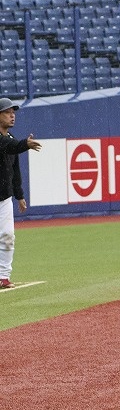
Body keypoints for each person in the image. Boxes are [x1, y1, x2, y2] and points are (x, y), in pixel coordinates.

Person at [0, 97, 42, 289]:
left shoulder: (10, 138)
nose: (12, 115)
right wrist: (25, 144)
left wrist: (19, 195)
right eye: (7, 112)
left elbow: (14, 170)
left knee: (8, 236)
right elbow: (9, 146)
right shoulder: (8, 141)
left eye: (13, 112)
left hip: (4, 198)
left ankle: (3, 276)